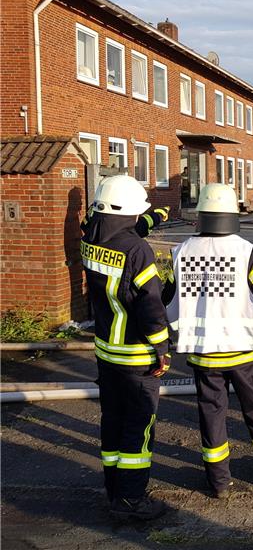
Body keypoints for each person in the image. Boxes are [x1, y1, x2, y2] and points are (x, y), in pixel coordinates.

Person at [164, 183, 253, 498]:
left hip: (204, 355)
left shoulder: (180, 252)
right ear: (232, 213)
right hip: (244, 353)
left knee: (211, 415)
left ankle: (219, 482)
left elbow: (167, 298)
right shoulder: (244, 250)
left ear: (201, 215)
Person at [80, 175, 170, 521]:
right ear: (130, 212)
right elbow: (150, 305)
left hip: (105, 349)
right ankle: (131, 500)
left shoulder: (91, 234)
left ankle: (114, 489)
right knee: (138, 425)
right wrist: (161, 347)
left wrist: (153, 218)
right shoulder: (137, 251)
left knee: (112, 420)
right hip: (135, 354)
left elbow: (120, 231)